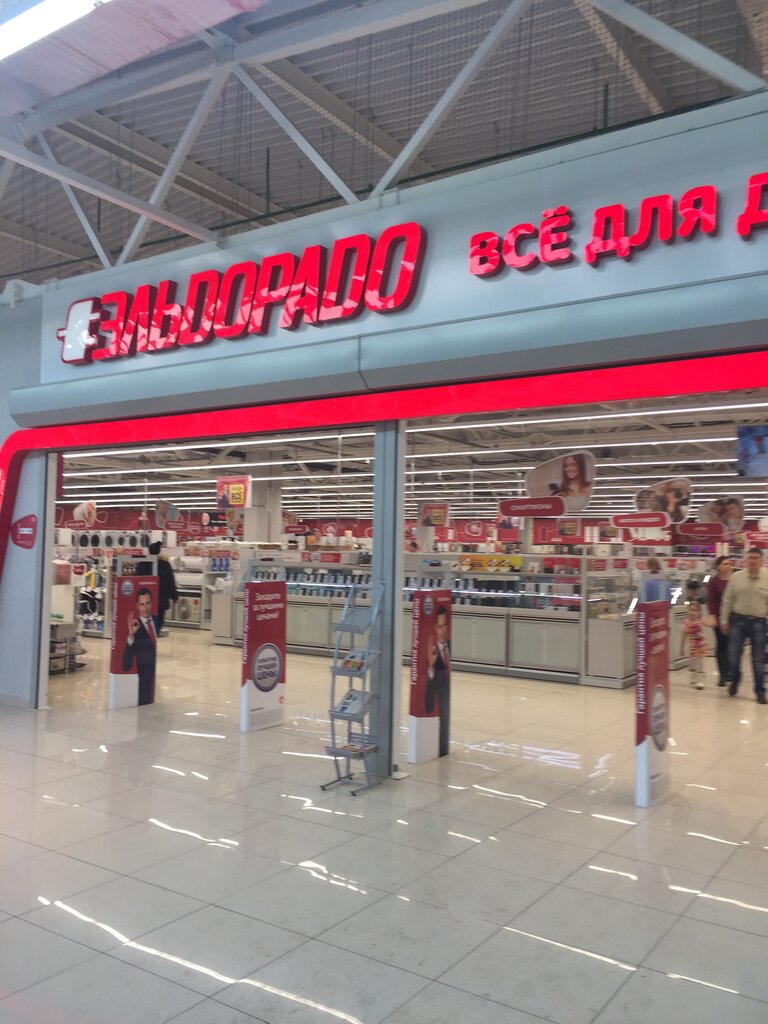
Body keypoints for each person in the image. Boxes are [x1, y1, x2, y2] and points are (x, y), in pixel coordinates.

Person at [721, 547, 768, 704]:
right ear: (746, 560)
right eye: (750, 558)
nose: (752, 561)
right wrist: (724, 620)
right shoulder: (736, 577)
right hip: (738, 621)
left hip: (759, 622)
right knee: (733, 655)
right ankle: (735, 679)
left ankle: (760, 691)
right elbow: (727, 601)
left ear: (761, 561)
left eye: (756, 558)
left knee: (758, 659)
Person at [121, 587, 157, 705]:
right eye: (142, 604)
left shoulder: (156, 620)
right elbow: (126, 665)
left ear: (152, 602)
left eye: (148, 603)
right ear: (137, 606)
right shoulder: (135, 628)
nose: (145, 608)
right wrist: (131, 636)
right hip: (144, 683)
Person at [425, 605, 451, 756]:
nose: (443, 631)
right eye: (439, 626)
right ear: (434, 628)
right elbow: (428, 706)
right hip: (435, 743)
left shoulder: (450, 646)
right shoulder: (433, 655)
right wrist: (431, 667)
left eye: (445, 625)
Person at [708, 555, 733, 686]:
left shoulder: (734, 580)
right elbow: (711, 600)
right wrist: (712, 615)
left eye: (729, 564)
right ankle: (723, 674)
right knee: (721, 645)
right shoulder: (714, 582)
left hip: (734, 617)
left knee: (732, 646)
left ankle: (730, 672)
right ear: (718, 567)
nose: (727, 566)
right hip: (718, 617)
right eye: (724, 564)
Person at [149, 541, 178, 634]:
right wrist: (175, 597)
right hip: (161, 599)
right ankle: (156, 634)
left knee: (148, 623)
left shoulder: (143, 563)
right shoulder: (165, 565)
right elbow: (171, 582)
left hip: (147, 599)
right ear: (159, 551)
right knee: (158, 623)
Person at [681, 600, 707, 689]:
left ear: (699, 612)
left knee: (699, 663)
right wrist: (681, 648)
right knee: (693, 664)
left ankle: (700, 681)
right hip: (692, 647)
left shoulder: (700, 621)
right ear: (687, 610)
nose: (693, 612)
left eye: (695, 610)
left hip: (700, 646)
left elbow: (704, 629)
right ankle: (693, 676)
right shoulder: (685, 623)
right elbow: (683, 636)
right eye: (691, 610)